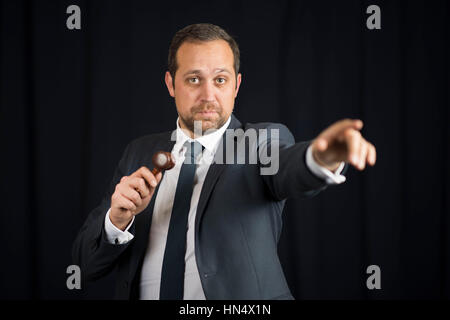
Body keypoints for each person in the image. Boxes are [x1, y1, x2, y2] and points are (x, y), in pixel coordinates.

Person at [72, 23, 376, 300]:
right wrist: (117, 220)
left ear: (236, 85)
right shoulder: (138, 151)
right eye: (193, 79)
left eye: (220, 79)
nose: (208, 94)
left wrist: (321, 157)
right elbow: (85, 264)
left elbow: (290, 169)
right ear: (170, 84)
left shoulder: (260, 142)